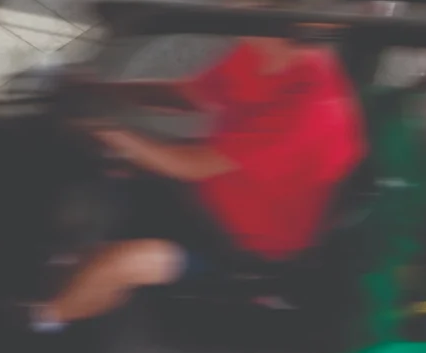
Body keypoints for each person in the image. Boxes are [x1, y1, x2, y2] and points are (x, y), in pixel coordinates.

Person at [29, 32, 367, 330]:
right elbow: (187, 95)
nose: (234, 28)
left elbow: (192, 165)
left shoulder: (309, 108)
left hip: (243, 251)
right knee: (89, 177)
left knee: (120, 264)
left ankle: (43, 322)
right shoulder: (256, 54)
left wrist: (105, 130)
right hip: (204, 199)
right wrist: (103, 89)